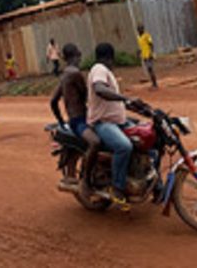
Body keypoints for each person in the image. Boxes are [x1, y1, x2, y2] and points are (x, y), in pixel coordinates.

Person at [87, 42, 149, 206]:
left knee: (146, 138)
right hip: (103, 123)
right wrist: (125, 99)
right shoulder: (99, 69)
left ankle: (149, 181)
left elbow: (114, 98)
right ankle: (117, 187)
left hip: (118, 121)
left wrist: (139, 106)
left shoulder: (107, 72)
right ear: (109, 58)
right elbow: (100, 89)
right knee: (124, 146)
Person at [50, 43, 101, 188]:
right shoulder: (75, 74)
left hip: (74, 120)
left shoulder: (65, 74)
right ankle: (86, 180)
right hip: (80, 120)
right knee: (95, 142)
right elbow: (88, 97)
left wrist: (62, 122)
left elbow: (53, 102)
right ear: (77, 55)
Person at [137, 24, 158, 89]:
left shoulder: (147, 36)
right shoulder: (139, 38)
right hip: (144, 55)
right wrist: (139, 52)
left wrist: (152, 53)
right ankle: (153, 83)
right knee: (149, 70)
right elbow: (141, 47)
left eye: (141, 29)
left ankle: (155, 84)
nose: (140, 30)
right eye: (139, 29)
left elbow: (151, 44)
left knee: (150, 69)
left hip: (148, 54)